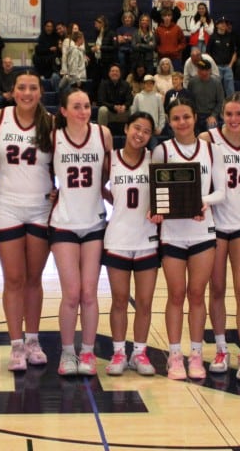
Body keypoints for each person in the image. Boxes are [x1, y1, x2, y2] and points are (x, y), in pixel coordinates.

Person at [151, 98, 225, 380]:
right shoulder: (162, 151)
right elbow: (155, 191)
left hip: (202, 231)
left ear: (195, 117)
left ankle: (196, 355)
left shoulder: (210, 150)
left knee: (197, 294)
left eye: (186, 117)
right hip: (172, 234)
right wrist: (156, 211)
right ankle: (174, 356)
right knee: (176, 295)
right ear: (169, 122)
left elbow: (222, 192)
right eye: (176, 118)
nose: (182, 122)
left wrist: (201, 201)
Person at [0, 72, 54, 371]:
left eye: (33, 87)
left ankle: (33, 339)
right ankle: (16, 344)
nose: (27, 92)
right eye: (21, 87)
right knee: (13, 278)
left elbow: (62, 163)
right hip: (6, 207)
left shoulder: (51, 123)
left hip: (40, 208)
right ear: (12, 91)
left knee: (33, 278)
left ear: (40, 92)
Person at [50, 86, 113, 376]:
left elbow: (111, 178)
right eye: (76, 106)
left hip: (94, 223)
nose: (83, 111)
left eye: (86, 105)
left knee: (89, 293)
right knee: (71, 293)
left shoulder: (103, 135)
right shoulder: (54, 137)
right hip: (63, 223)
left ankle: (87, 352)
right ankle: (67, 353)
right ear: (63, 111)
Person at [201, 93, 240, 382]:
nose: (233, 119)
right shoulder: (208, 139)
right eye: (229, 114)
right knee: (217, 289)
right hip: (215, 224)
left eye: (239, 114)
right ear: (222, 114)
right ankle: (222, 349)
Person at [103, 112, 162, 376]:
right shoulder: (111, 159)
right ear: (126, 128)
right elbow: (97, 187)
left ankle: (139, 353)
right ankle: (118, 352)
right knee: (118, 300)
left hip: (147, 239)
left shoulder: (155, 160)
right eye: (136, 128)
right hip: (117, 238)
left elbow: (164, 195)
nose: (140, 134)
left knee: (145, 302)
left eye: (146, 131)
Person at [187, 59, 224, 133]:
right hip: (196, 114)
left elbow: (221, 101)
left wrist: (213, 115)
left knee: (212, 130)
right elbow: (189, 100)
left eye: (205, 71)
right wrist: (193, 113)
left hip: (210, 114)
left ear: (209, 71)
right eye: (200, 70)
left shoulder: (217, 83)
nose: (203, 73)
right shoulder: (192, 82)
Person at [130, 74, 165, 147]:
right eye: (147, 83)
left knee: (153, 149)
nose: (149, 85)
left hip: (153, 130)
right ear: (144, 84)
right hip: (140, 129)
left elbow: (161, 114)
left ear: (153, 84)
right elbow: (133, 113)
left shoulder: (158, 97)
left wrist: (160, 128)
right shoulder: (138, 96)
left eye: (151, 83)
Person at [206, 17, 238, 96]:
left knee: (230, 88)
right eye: (221, 23)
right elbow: (208, 53)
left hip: (227, 66)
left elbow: (234, 52)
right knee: (216, 87)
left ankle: (231, 104)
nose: (224, 25)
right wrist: (213, 66)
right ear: (217, 25)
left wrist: (230, 65)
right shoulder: (213, 37)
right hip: (216, 67)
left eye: (225, 23)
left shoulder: (230, 37)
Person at [97, 63, 133, 130]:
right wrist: (113, 107)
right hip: (110, 112)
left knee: (133, 109)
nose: (114, 73)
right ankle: (101, 134)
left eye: (117, 71)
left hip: (123, 112)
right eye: (112, 71)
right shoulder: (103, 84)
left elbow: (130, 99)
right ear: (109, 73)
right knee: (102, 110)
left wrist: (125, 106)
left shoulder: (126, 84)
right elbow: (101, 101)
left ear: (120, 73)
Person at [33, 20, 60, 86]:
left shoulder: (56, 37)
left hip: (52, 58)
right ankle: (41, 76)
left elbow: (58, 47)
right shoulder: (42, 37)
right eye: (48, 26)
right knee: (35, 57)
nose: (49, 28)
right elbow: (38, 49)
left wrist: (55, 48)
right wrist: (49, 49)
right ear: (45, 27)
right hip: (43, 57)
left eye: (51, 26)